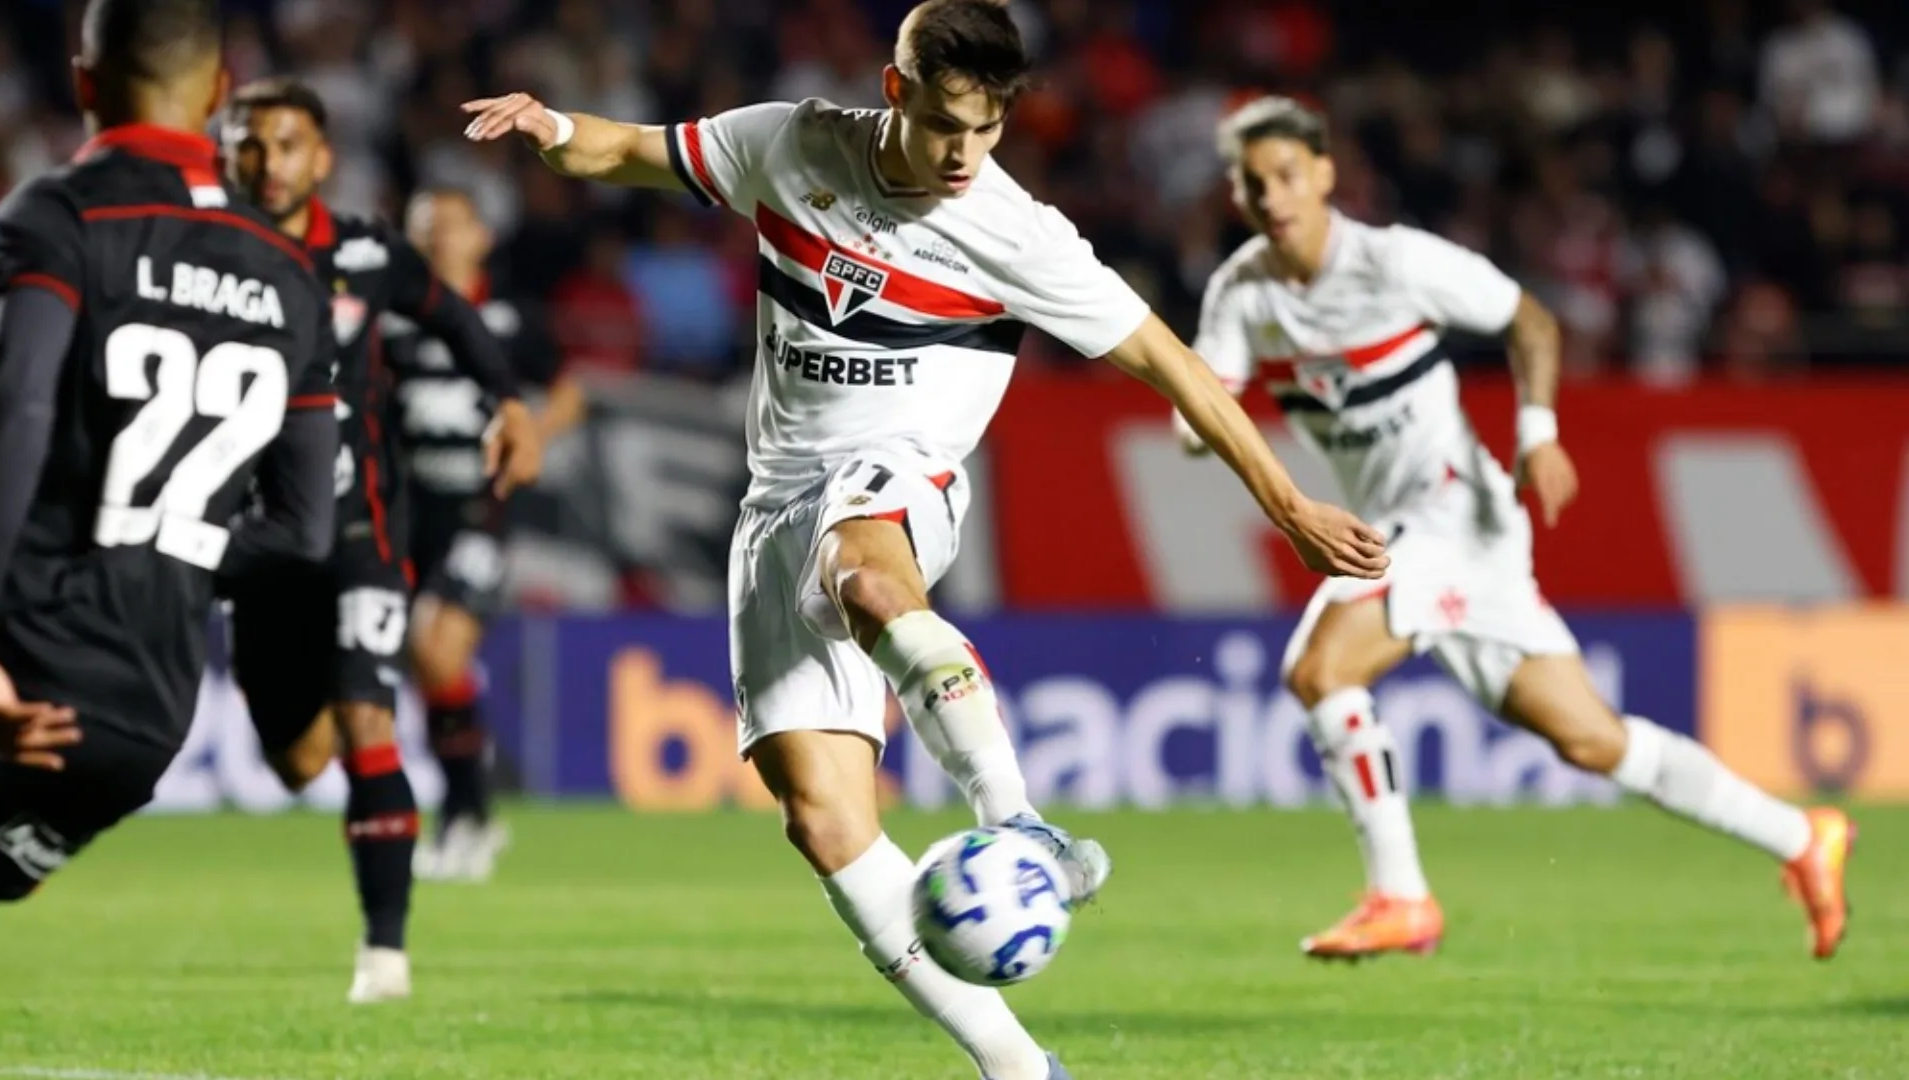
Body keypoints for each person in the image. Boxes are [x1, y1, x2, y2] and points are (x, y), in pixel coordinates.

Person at [463, 2, 1386, 1076]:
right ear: (896, 91)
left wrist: (1288, 506)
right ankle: (1021, 1066)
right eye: (948, 123)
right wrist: (553, 128)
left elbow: (1174, 364)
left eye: (988, 129)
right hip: (773, 504)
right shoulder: (792, 143)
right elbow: (634, 151)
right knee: (825, 822)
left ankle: (1019, 820)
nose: (964, 153)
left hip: (901, 478)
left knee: (864, 567)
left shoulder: (1014, 232)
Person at [1176, 95, 1853, 962]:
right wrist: (1196, 418)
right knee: (1589, 737)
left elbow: (1529, 320)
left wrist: (1539, 434)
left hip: (1455, 509)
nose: (1272, 196)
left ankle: (1402, 896)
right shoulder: (1244, 290)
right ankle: (1802, 836)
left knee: (1319, 670)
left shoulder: (1395, 262)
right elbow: (1210, 410)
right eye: (1253, 182)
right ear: (1237, 193)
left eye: (1286, 175)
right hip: (1418, 534)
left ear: (1324, 175)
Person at [0, 0, 335, 912]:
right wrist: (168, 538)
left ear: (82, 83)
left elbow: (15, 410)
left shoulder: (58, 216)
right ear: (221, 93)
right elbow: (303, 531)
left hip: (19, 671)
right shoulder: (293, 277)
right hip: (143, 720)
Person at [218, 78, 542, 1002]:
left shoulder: (364, 250)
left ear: (321, 159)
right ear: (227, 153)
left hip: (359, 531)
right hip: (251, 543)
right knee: (297, 760)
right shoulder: (195, 251)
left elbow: (455, 315)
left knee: (368, 719)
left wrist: (511, 403)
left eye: (287, 146)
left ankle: (385, 958)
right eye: (250, 144)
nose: (268, 163)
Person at [391, 186, 583, 882]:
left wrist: (528, 433)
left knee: (437, 648)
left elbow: (567, 391)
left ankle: (467, 812)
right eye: (425, 229)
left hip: (480, 513)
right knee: (425, 663)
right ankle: (469, 808)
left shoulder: (506, 319)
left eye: (451, 226)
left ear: (480, 238)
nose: (440, 239)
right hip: (404, 516)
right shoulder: (392, 320)